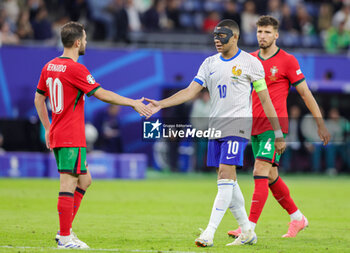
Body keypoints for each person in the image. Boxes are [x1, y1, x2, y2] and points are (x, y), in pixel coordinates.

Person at [145, 19, 286, 247]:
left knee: (224, 174)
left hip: (238, 126)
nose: (217, 41)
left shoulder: (250, 63)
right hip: (215, 128)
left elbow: (265, 99)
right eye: (215, 37)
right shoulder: (209, 63)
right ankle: (248, 231)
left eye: (222, 37)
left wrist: (278, 132)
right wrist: (161, 104)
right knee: (228, 181)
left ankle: (209, 233)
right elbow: (190, 91)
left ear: (235, 37)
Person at [34, 21, 151, 249]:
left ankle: (65, 231)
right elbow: (102, 93)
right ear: (77, 42)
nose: (86, 42)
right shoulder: (76, 69)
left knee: (85, 181)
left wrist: (48, 127)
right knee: (68, 183)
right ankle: (65, 237)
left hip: (60, 132)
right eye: (85, 39)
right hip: (70, 135)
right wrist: (132, 103)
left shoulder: (49, 66)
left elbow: (39, 98)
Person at [228, 15, 330, 239]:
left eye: (266, 32)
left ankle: (247, 228)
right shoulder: (250, 59)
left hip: (275, 128)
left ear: (276, 35)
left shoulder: (287, 60)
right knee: (271, 175)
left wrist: (320, 123)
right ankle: (297, 218)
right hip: (254, 125)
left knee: (259, 171)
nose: (262, 36)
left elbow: (305, 93)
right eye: (259, 32)